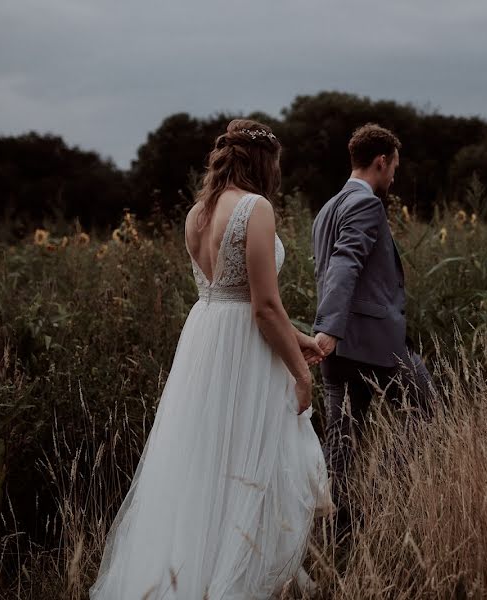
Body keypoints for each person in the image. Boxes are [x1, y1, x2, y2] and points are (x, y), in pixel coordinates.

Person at [90, 119, 332, 599]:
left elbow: (237, 296)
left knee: (205, 462)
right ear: (264, 162)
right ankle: (236, 579)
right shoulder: (255, 208)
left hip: (206, 338)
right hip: (245, 349)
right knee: (247, 461)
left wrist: (298, 336)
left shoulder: (197, 214)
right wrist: (301, 373)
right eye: (277, 164)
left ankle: (188, 573)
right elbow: (261, 306)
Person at [311, 123, 436, 534]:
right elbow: (345, 262)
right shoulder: (366, 205)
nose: (394, 177)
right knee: (427, 408)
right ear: (380, 162)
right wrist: (330, 328)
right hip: (371, 343)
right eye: (393, 168)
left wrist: (329, 333)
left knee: (342, 439)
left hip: (339, 349)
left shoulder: (326, 209)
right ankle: (382, 495)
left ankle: (338, 525)